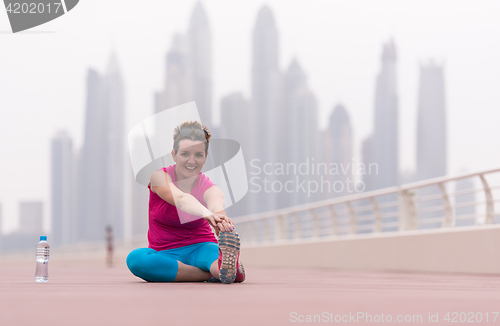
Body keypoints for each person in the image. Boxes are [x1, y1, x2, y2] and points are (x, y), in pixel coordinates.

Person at [126, 121, 245, 284]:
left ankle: (225, 269)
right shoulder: (159, 178)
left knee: (218, 263)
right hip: (164, 253)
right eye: (185, 154)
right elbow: (181, 199)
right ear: (174, 154)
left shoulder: (209, 187)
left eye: (198, 155)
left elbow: (217, 205)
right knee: (136, 259)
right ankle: (210, 274)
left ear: (205, 157)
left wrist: (221, 222)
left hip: (201, 247)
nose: (191, 161)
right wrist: (206, 214)